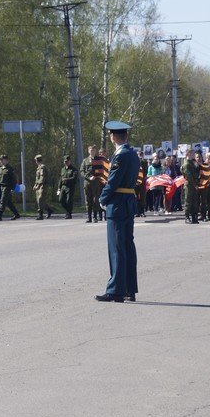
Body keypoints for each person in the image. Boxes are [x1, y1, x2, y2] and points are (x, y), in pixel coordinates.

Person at [95, 121, 139, 303]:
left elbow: (113, 181)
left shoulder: (121, 156)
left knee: (117, 248)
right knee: (128, 246)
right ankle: (129, 288)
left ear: (113, 137)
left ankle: (116, 290)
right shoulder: (133, 154)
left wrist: (102, 198)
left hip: (118, 204)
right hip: (128, 202)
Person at [0, 154, 20, 220]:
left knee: (2, 200)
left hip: (7, 187)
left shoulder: (10, 169)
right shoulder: (0, 169)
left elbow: (13, 180)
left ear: (7, 161)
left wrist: (13, 188)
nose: (1, 161)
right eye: (0, 160)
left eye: (2, 160)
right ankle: (16, 214)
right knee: (8, 202)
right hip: (1, 186)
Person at [32, 154, 54, 220]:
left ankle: (40, 215)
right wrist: (35, 185)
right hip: (39, 185)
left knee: (41, 199)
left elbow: (42, 178)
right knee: (39, 200)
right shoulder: (38, 167)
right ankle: (49, 210)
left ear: (37, 160)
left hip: (43, 185)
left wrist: (38, 186)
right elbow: (37, 178)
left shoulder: (42, 167)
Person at [57, 154, 78, 219]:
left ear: (70, 161)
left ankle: (69, 214)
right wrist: (58, 188)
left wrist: (67, 180)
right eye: (65, 161)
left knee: (69, 200)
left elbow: (74, 178)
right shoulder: (63, 169)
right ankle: (68, 211)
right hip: (63, 187)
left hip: (70, 187)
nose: (66, 163)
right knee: (61, 200)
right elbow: (61, 179)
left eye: (67, 161)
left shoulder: (74, 169)